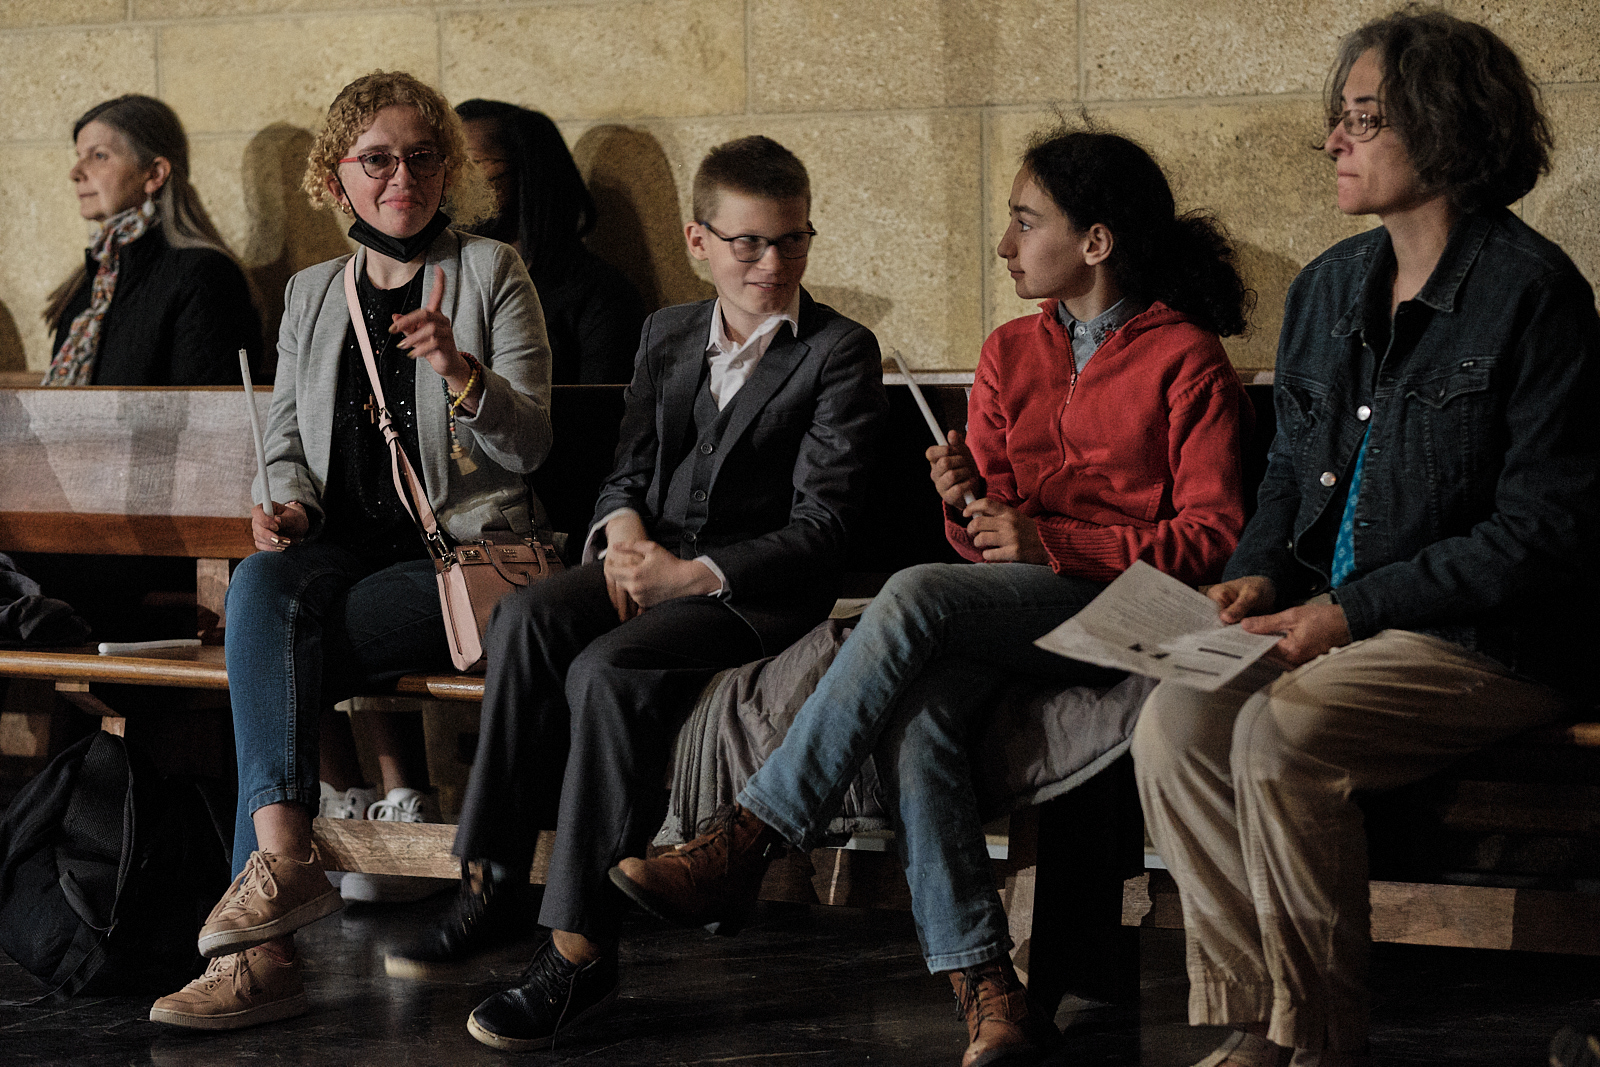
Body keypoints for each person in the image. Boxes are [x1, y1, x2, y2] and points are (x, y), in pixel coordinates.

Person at [612, 123, 1255, 1067]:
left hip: (1139, 611)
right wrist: (967, 505)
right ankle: (990, 991)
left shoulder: (1186, 357)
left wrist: (1052, 541)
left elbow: (1214, 539)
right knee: (917, 716)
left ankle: (749, 836)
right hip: (1014, 605)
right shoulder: (1008, 351)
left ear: (1095, 241)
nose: (1004, 243)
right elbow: (985, 542)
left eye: (1024, 221)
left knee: (911, 595)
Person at [1129, 10, 1600, 1067]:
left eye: (1363, 118)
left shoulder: (1533, 293)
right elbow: (1288, 473)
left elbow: (1543, 533)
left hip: (1486, 639)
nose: (1332, 140)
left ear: (1442, 127)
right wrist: (1257, 576)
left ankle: (1318, 1041)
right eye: (1338, 116)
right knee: (1177, 716)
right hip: (1330, 620)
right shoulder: (1328, 285)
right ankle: (1254, 1020)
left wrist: (1348, 611)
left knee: (1285, 733)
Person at [383, 134, 889, 1052]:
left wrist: (692, 576)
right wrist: (621, 536)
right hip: (655, 563)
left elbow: (823, 528)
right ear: (700, 242)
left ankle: (579, 949)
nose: (772, 263)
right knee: (528, 614)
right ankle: (492, 879)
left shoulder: (839, 351)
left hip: (757, 598)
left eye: (793, 240)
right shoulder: (667, 333)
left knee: (606, 672)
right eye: (748, 243)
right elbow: (626, 473)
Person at [147, 70, 553, 1031]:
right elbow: (287, 438)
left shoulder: (492, 271)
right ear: (337, 178)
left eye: (420, 157)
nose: (400, 176)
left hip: (460, 563)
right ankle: (285, 871)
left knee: (274, 650)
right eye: (376, 160)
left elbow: (532, 444)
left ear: (446, 170)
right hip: (343, 552)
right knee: (262, 581)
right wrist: (286, 505)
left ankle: (262, 949)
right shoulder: (312, 293)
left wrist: (460, 371)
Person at [43, 94, 261, 385]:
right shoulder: (92, 281)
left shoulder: (205, 276)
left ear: (155, 173)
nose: (75, 173)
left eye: (99, 156)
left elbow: (209, 405)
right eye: (79, 156)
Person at [455, 99, 647, 383]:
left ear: (529, 173)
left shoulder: (601, 296)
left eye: (473, 162)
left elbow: (602, 406)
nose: (454, 178)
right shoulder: (450, 274)